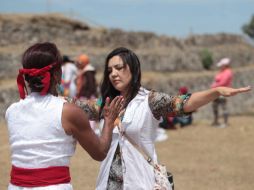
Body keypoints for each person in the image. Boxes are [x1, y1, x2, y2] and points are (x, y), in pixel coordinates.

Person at [92, 47, 249, 190]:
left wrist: (216, 91)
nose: (113, 74)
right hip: (107, 183)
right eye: (109, 70)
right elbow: (78, 107)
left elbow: (182, 103)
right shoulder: (105, 103)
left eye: (119, 68)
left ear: (133, 69)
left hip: (139, 182)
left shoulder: (150, 100)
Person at [5, 42, 123, 190]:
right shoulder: (68, 112)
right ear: (57, 75)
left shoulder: (12, 111)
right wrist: (109, 120)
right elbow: (100, 152)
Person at [210, 58, 233, 127]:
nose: (220, 66)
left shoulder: (228, 72)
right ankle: (216, 121)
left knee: (223, 107)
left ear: (225, 65)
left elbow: (224, 82)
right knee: (215, 106)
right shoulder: (222, 71)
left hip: (223, 92)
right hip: (217, 91)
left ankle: (225, 122)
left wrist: (215, 85)